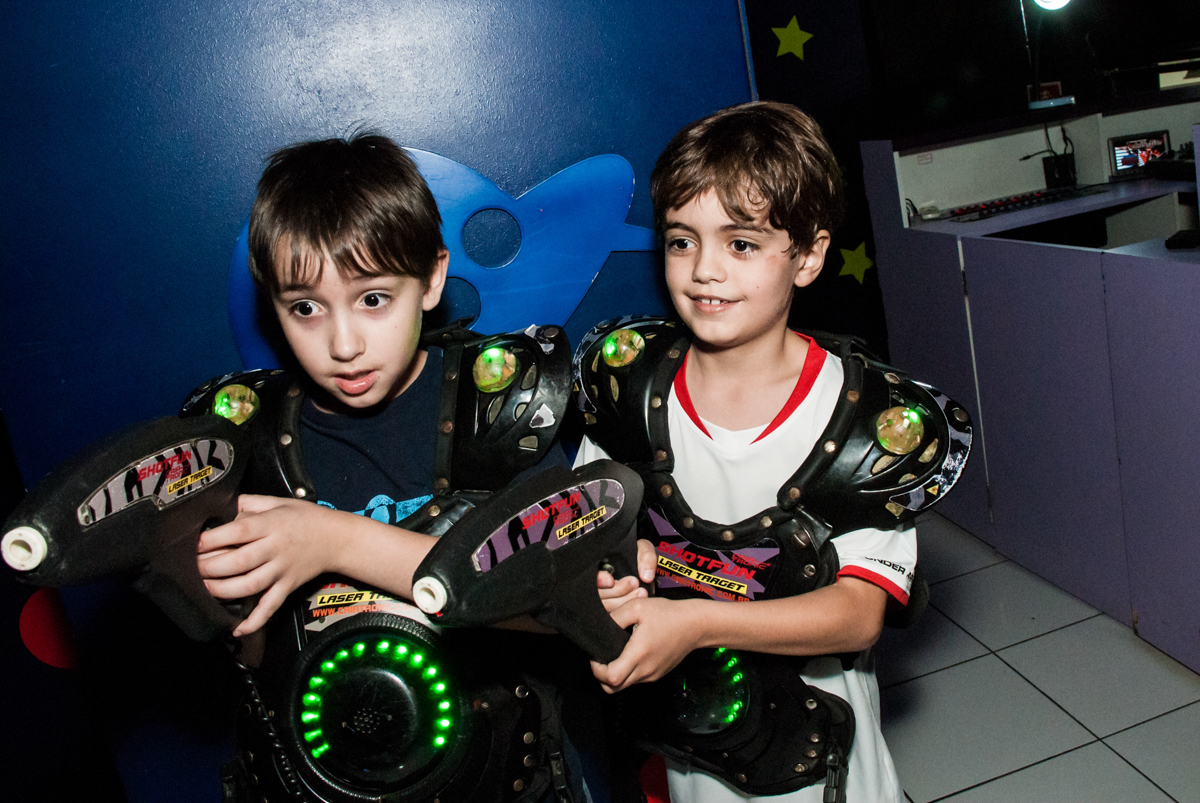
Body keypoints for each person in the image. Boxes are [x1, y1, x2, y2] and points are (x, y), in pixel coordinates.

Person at [577, 102, 972, 802]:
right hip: (684, 738)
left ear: (810, 256)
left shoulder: (870, 421)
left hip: (823, 755)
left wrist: (696, 622)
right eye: (679, 241)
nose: (703, 271)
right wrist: (615, 561)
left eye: (742, 244)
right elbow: (587, 526)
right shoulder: (628, 388)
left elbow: (857, 612)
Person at [191, 132, 602, 803]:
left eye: (373, 299)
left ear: (433, 277)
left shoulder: (495, 412)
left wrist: (332, 540)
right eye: (305, 308)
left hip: (505, 780)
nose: (343, 343)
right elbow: (256, 665)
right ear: (273, 306)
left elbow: (575, 605)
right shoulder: (251, 444)